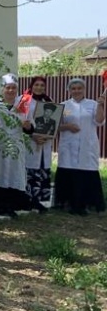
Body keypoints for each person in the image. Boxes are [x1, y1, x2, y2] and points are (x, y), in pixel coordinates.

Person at [53, 78, 107, 216]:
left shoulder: (93, 104)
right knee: (68, 171)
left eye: (79, 88)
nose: (76, 91)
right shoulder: (64, 105)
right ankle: (66, 203)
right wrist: (67, 126)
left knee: (87, 171)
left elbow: (99, 121)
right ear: (69, 90)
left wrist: (101, 105)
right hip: (68, 145)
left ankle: (87, 204)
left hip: (87, 145)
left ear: (84, 89)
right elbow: (55, 126)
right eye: (73, 88)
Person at [0, 73, 30, 217]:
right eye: (8, 88)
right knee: (0, 174)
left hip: (16, 145)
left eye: (13, 88)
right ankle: (0, 206)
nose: (11, 90)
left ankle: (12, 206)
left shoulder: (23, 105)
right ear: (2, 89)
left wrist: (27, 125)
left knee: (14, 173)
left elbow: (30, 128)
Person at [25, 77, 56, 212]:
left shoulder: (48, 101)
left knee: (41, 170)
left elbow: (54, 121)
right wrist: (32, 135)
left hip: (44, 143)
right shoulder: (24, 100)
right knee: (29, 171)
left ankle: (38, 201)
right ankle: (27, 200)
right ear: (31, 86)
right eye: (36, 84)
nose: (39, 87)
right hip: (29, 141)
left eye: (42, 85)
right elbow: (20, 121)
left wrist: (48, 134)